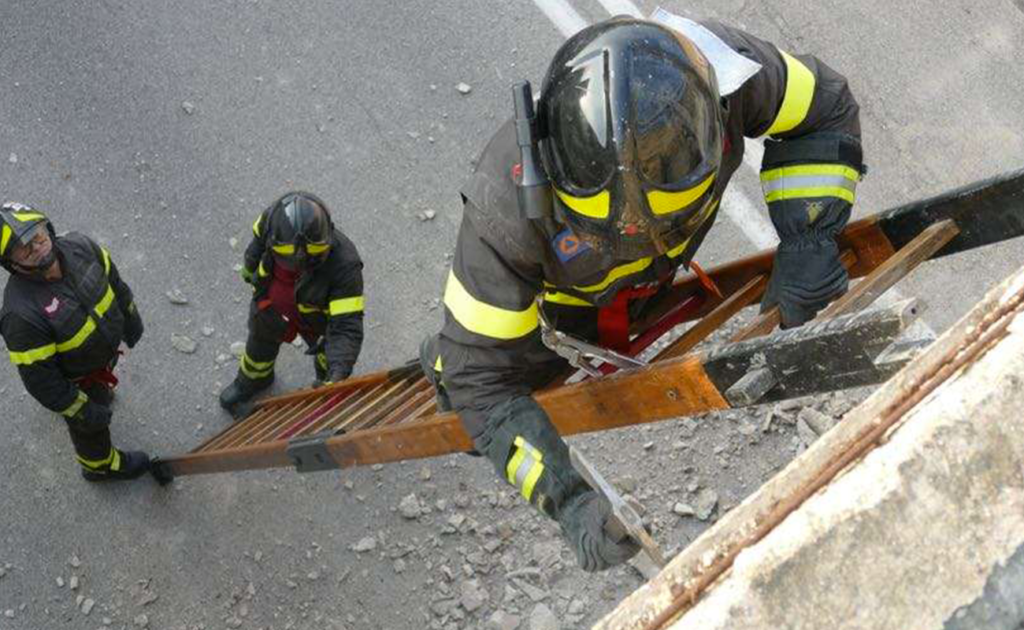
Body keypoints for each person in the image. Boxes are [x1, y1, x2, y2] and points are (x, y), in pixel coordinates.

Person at [421, 15, 864, 571]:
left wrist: (810, 237)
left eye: (664, 223)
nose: (637, 235)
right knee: (490, 386)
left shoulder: (728, 75)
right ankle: (437, 358)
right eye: (609, 232)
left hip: (642, 287)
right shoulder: (506, 209)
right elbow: (483, 380)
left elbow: (824, 107)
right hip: (564, 303)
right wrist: (571, 503)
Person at [0, 203, 150, 482]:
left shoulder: (82, 246)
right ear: (10, 261)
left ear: (48, 228)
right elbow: (42, 383)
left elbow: (116, 283)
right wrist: (82, 409)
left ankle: (100, 397)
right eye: (23, 247)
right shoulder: (19, 315)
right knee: (90, 428)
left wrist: (131, 318)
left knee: (99, 400)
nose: (37, 246)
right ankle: (99, 466)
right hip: (78, 381)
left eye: (38, 235)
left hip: (102, 357)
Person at [219, 192, 365, 417]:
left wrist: (337, 376)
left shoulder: (346, 266)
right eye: (288, 255)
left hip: (317, 322)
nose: (299, 262)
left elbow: (346, 327)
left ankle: (323, 387)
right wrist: (250, 271)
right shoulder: (272, 220)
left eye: (312, 255)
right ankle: (254, 381)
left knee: (329, 357)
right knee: (259, 346)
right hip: (272, 305)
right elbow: (257, 243)